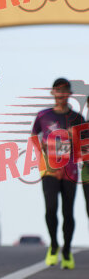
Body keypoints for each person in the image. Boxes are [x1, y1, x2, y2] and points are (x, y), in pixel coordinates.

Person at [31, 78, 84, 269]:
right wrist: (42, 150)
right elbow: (34, 136)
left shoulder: (77, 118)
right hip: (49, 169)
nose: (61, 94)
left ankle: (67, 250)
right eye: (58, 90)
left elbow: (84, 146)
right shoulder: (43, 115)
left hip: (70, 170)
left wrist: (72, 136)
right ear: (53, 93)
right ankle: (54, 245)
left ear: (69, 94)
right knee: (51, 208)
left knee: (68, 212)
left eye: (64, 90)